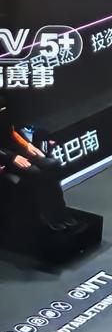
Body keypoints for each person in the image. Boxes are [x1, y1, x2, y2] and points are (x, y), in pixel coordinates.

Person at [0, 93, 73, 230]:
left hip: (13, 149)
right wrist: (12, 158)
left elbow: (12, 130)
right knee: (36, 174)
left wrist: (27, 145)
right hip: (4, 158)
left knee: (52, 165)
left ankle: (59, 212)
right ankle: (45, 216)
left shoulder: (3, 101)